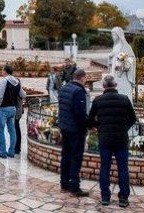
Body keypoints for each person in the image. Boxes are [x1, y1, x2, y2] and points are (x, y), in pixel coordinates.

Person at [88, 75, 136, 208]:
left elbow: (90, 119)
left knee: (104, 168)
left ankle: (105, 197)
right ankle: (123, 198)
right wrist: (124, 128)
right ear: (115, 85)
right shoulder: (124, 99)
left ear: (104, 86)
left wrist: (99, 127)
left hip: (105, 139)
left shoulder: (98, 100)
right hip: (121, 139)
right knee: (123, 169)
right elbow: (133, 118)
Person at [58, 68, 90, 197]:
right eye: (85, 78)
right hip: (75, 130)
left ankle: (64, 183)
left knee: (65, 155)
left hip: (64, 127)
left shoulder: (64, 88)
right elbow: (80, 114)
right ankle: (74, 187)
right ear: (82, 78)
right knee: (76, 157)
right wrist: (89, 125)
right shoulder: (78, 92)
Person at [0, 65, 26, 158]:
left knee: (0, 130)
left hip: (3, 108)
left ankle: (2, 152)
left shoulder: (4, 81)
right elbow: (23, 94)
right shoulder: (17, 81)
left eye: (2, 70)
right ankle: (11, 152)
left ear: (5, 71)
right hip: (13, 109)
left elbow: (0, 96)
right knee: (12, 130)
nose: (1, 71)